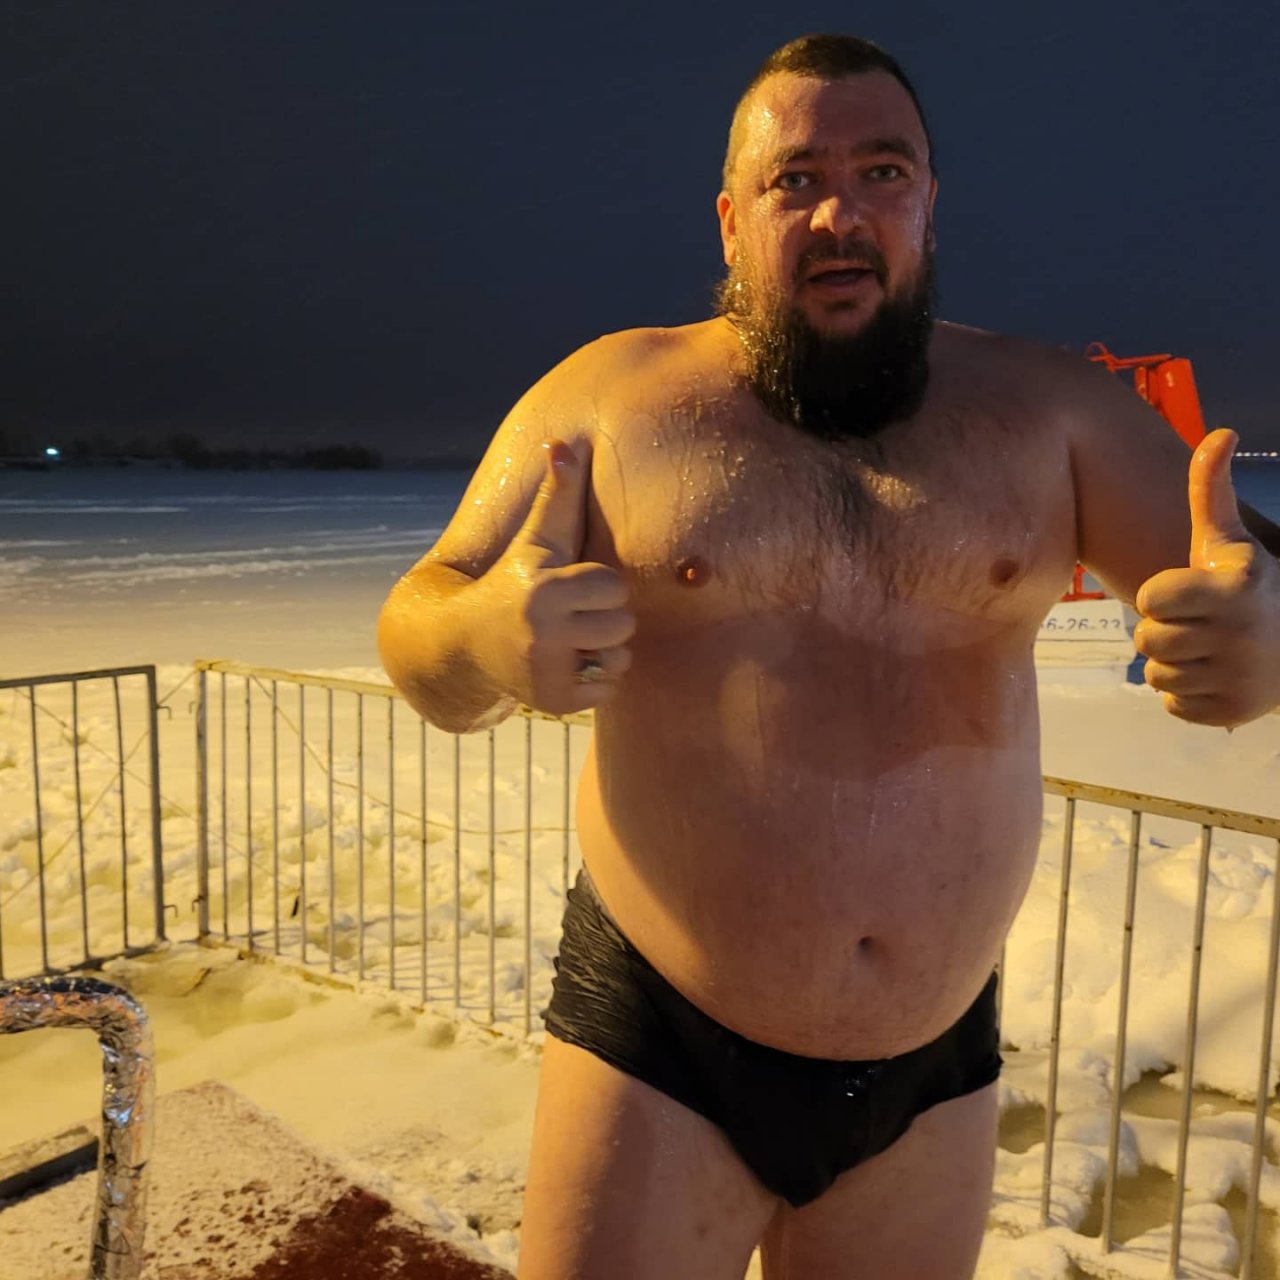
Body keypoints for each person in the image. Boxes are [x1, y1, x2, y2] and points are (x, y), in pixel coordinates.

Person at [378, 34, 1280, 1280]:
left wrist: (1265, 638)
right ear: (730, 218)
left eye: (879, 173)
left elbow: (1244, 581)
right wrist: (480, 636)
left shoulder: (1051, 412)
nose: (837, 214)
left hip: (932, 1066)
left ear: (927, 200)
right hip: (659, 1047)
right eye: (792, 179)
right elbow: (419, 622)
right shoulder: (610, 400)